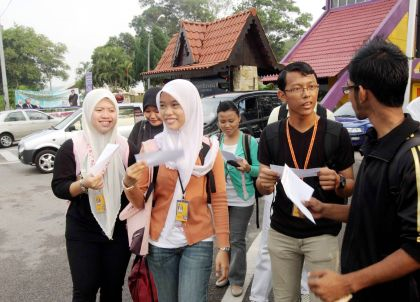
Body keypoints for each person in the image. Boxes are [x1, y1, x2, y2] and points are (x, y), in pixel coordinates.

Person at [307, 38, 420, 302]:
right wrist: (327, 210)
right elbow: (375, 212)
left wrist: (347, 282)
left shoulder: (412, 156)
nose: (348, 94)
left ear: (363, 93)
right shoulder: (377, 143)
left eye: (349, 88)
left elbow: (416, 249)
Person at [256, 61, 355, 302]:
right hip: (282, 232)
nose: (307, 94)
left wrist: (339, 181)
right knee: (284, 298)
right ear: (282, 95)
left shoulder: (335, 133)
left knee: (324, 299)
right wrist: (264, 183)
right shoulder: (271, 134)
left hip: (322, 233)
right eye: (298, 88)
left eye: (311, 86)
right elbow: (262, 184)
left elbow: (351, 185)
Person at [123, 79, 230, 302]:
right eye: (163, 105)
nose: (167, 112)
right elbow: (140, 202)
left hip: (198, 241)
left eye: (175, 104)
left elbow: (219, 200)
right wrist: (129, 184)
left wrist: (224, 247)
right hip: (160, 244)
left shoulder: (208, 149)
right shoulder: (153, 148)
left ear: (190, 105)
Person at [51, 88, 136, 301]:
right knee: (85, 290)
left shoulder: (125, 147)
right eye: (99, 109)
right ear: (88, 112)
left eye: (111, 110)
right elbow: (59, 187)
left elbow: (137, 189)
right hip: (82, 230)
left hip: (117, 230)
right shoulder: (72, 146)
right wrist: (83, 184)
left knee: (113, 289)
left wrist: (131, 183)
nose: (106, 115)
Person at [214, 101, 259, 297]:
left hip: (243, 198)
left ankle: (236, 278)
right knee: (224, 238)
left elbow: (261, 170)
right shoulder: (215, 141)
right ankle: (225, 271)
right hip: (221, 199)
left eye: (231, 120)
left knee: (237, 239)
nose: (227, 125)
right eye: (222, 121)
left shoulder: (249, 142)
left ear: (239, 119)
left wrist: (249, 168)